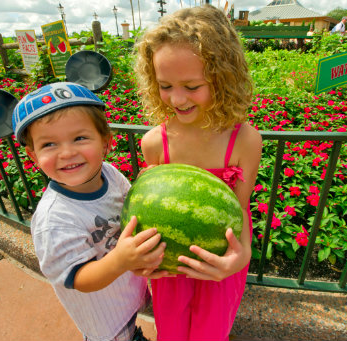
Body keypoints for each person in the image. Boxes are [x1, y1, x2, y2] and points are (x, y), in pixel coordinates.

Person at [134, 5, 262, 341]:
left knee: (211, 333)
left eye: (192, 86)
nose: (177, 99)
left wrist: (242, 255)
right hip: (171, 272)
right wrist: (136, 256)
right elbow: (149, 212)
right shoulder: (154, 144)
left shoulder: (244, 140)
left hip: (220, 265)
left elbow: (240, 210)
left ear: (222, 78)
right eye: (165, 85)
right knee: (171, 332)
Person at [11, 82, 167, 341]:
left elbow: (130, 204)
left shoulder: (110, 173)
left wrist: (149, 186)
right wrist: (120, 260)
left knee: (130, 326)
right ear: (33, 156)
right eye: (49, 144)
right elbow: (78, 278)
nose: (67, 153)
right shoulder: (55, 219)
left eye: (80, 138)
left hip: (124, 294)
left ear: (106, 142)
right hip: (104, 319)